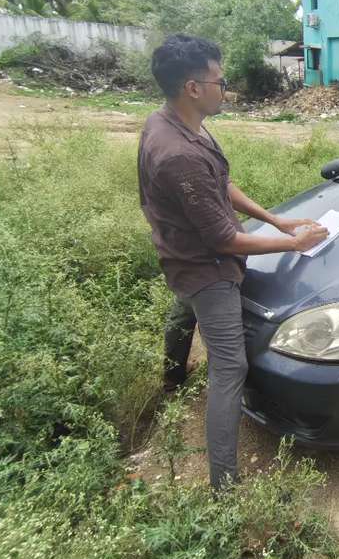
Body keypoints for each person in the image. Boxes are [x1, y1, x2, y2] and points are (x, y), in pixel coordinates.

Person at [137, 34, 328, 490]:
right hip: (204, 268)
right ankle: (224, 486)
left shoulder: (179, 124)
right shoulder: (178, 154)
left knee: (181, 311)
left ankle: (171, 379)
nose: (227, 89)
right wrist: (294, 244)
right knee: (230, 368)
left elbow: (221, 184)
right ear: (193, 87)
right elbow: (224, 240)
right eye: (220, 81)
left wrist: (275, 219)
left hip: (179, 253)